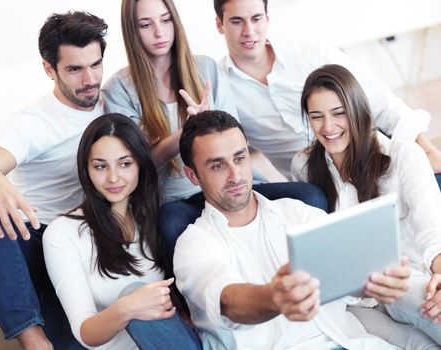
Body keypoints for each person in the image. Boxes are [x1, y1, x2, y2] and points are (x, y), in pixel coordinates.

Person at [102, 0, 328, 275]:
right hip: (178, 201)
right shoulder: (119, 89)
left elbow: (235, 138)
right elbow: (136, 164)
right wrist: (188, 131)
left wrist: (208, 129)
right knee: (171, 225)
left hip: (234, 184)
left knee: (311, 197)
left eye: (165, 20)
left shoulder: (205, 69)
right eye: (146, 25)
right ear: (132, 30)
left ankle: (314, 275)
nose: (159, 32)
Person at [174, 110, 412, 349]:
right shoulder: (194, 244)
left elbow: (346, 276)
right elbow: (228, 302)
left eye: (239, 158)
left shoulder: (297, 213)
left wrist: (378, 279)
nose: (235, 175)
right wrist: (274, 297)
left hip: (349, 342)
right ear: (193, 175)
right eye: (217, 166)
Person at [0, 11, 107, 350]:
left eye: (95, 64)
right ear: (50, 69)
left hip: (88, 242)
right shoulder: (33, 122)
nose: (90, 79)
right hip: (36, 237)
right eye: (75, 69)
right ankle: (32, 338)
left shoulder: (113, 101)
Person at [291, 64, 441, 347]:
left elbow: (433, 234)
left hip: (406, 281)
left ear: (357, 110)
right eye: (316, 117)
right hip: (355, 300)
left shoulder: (403, 155)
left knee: (432, 306)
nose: (328, 127)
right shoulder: (304, 167)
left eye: (338, 113)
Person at [214, 0, 441, 182]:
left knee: (429, 176)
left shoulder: (309, 54)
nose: (249, 31)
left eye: (256, 19)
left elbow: (380, 100)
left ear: (267, 19)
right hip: (315, 177)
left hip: (365, 147)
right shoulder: (221, 86)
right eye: (236, 21)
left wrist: (428, 149)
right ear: (219, 25)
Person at [42, 113, 201, 350]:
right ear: (86, 169)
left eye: (125, 164)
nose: (113, 177)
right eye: (100, 166)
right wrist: (127, 307)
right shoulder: (63, 234)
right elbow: (85, 332)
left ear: (140, 165)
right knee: (134, 292)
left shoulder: (155, 222)